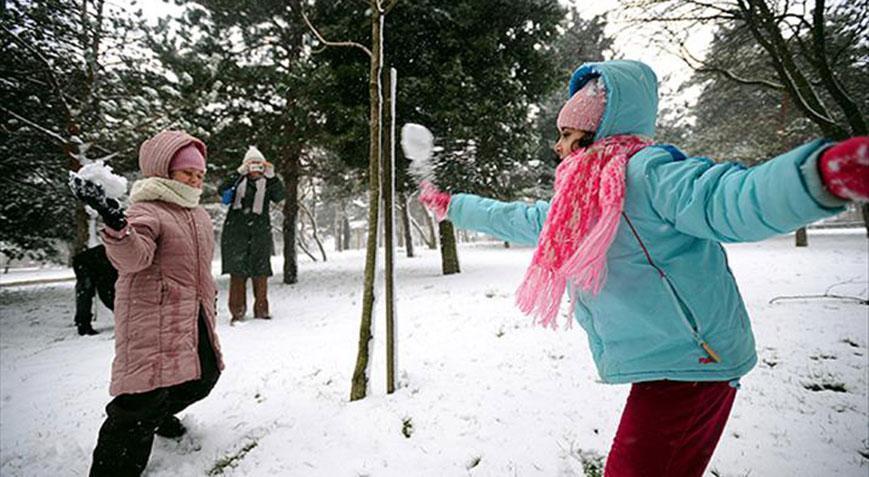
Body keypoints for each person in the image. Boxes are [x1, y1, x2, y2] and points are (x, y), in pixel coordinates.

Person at [417, 60, 869, 477]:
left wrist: (819, 176)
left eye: (567, 132)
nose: (557, 145)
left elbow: (729, 198)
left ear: (597, 133)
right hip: (668, 364)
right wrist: (454, 205)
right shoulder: (579, 200)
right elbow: (517, 217)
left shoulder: (649, 174)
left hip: (694, 361)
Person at [69, 130, 225, 477]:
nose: (196, 180)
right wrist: (116, 226)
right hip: (151, 319)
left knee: (204, 375)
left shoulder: (197, 215)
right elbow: (132, 259)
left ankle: (157, 416)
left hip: (191, 315)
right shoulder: (148, 210)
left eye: (200, 174)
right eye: (187, 173)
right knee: (138, 404)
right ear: (163, 171)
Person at [218, 146, 285, 324]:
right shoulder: (237, 181)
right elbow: (221, 191)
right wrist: (237, 173)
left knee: (260, 272)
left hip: (260, 233)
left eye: (259, 165)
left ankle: (262, 311)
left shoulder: (268, 183)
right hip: (236, 233)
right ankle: (237, 313)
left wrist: (272, 177)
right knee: (237, 274)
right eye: (251, 165)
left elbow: (280, 196)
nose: (255, 170)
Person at [72, 244, 117, 336]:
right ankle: (83, 325)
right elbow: (107, 294)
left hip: (96, 263)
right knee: (86, 292)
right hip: (87, 263)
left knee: (88, 293)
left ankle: (82, 322)